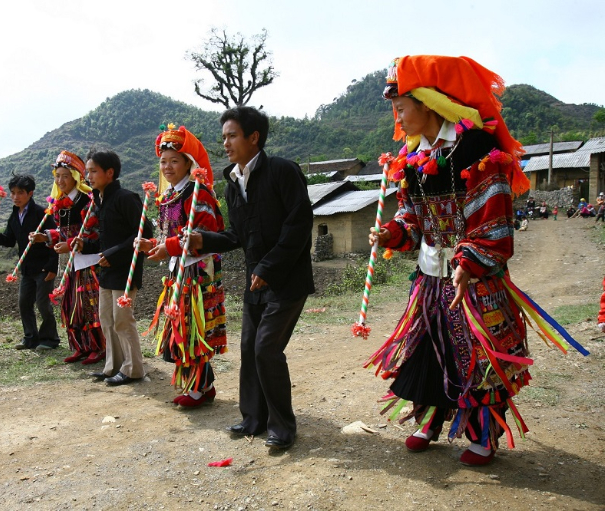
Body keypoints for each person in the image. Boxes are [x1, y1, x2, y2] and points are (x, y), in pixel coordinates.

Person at [367, 55, 586, 466]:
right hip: (431, 275)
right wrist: (391, 233)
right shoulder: (411, 158)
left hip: (475, 277)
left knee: (478, 354)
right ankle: (429, 419)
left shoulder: (477, 149)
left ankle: (482, 433)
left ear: (429, 103)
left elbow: (495, 221)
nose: (397, 117)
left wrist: (469, 262)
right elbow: (410, 218)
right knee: (428, 346)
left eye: (401, 107)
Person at [189, 106, 314, 450]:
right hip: (255, 284)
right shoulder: (232, 183)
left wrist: (268, 268)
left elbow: (299, 225)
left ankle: (283, 427)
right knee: (248, 348)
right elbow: (236, 235)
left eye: (232, 135)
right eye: (224, 136)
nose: (226, 143)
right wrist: (204, 239)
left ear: (253, 137)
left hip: (286, 281)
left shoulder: (282, 172)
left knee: (266, 349)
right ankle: (253, 419)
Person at [138, 125, 227, 406]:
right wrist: (150, 243)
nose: (167, 166)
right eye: (163, 161)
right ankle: (202, 385)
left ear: (189, 162)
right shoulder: (168, 197)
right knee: (181, 327)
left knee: (192, 328)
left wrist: (169, 248)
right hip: (178, 269)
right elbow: (168, 237)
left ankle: (198, 388)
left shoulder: (198, 193)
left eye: (174, 160)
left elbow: (204, 236)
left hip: (198, 271)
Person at [78, 149, 151, 386]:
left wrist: (113, 254)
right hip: (108, 270)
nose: (88, 176)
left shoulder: (126, 198)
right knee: (107, 319)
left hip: (126, 270)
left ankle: (133, 369)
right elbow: (104, 240)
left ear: (109, 173)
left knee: (122, 319)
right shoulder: (100, 201)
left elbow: (143, 233)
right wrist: (83, 245)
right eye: (87, 171)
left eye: (93, 171)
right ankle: (114, 366)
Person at [30, 151, 106, 364]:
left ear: (75, 177)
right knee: (73, 305)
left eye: (65, 175)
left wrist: (71, 244)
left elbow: (92, 234)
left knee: (91, 305)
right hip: (71, 263)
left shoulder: (88, 201)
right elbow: (63, 234)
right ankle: (80, 345)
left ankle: (98, 346)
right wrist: (45, 236)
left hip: (89, 262)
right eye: (57, 176)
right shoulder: (59, 204)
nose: (60, 181)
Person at [0, 173, 60, 350]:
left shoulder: (43, 213)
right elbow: (10, 240)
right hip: (26, 268)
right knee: (24, 303)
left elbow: (56, 240)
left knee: (43, 304)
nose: (15, 197)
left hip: (43, 267)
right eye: (12, 192)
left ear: (30, 193)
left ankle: (49, 339)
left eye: (20, 192)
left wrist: (52, 266)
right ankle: (30, 338)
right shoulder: (14, 216)